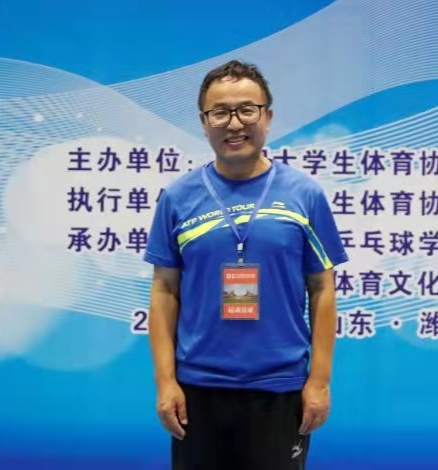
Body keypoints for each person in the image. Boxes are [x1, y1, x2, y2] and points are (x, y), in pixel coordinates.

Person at [144, 59, 348, 470]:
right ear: (204, 123)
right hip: (197, 387)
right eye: (220, 112)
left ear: (267, 117)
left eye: (246, 110)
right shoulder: (177, 197)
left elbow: (322, 289)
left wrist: (319, 381)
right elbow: (164, 290)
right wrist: (165, 381)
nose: (234, 123)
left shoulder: (304, 195)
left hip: (280, 387)